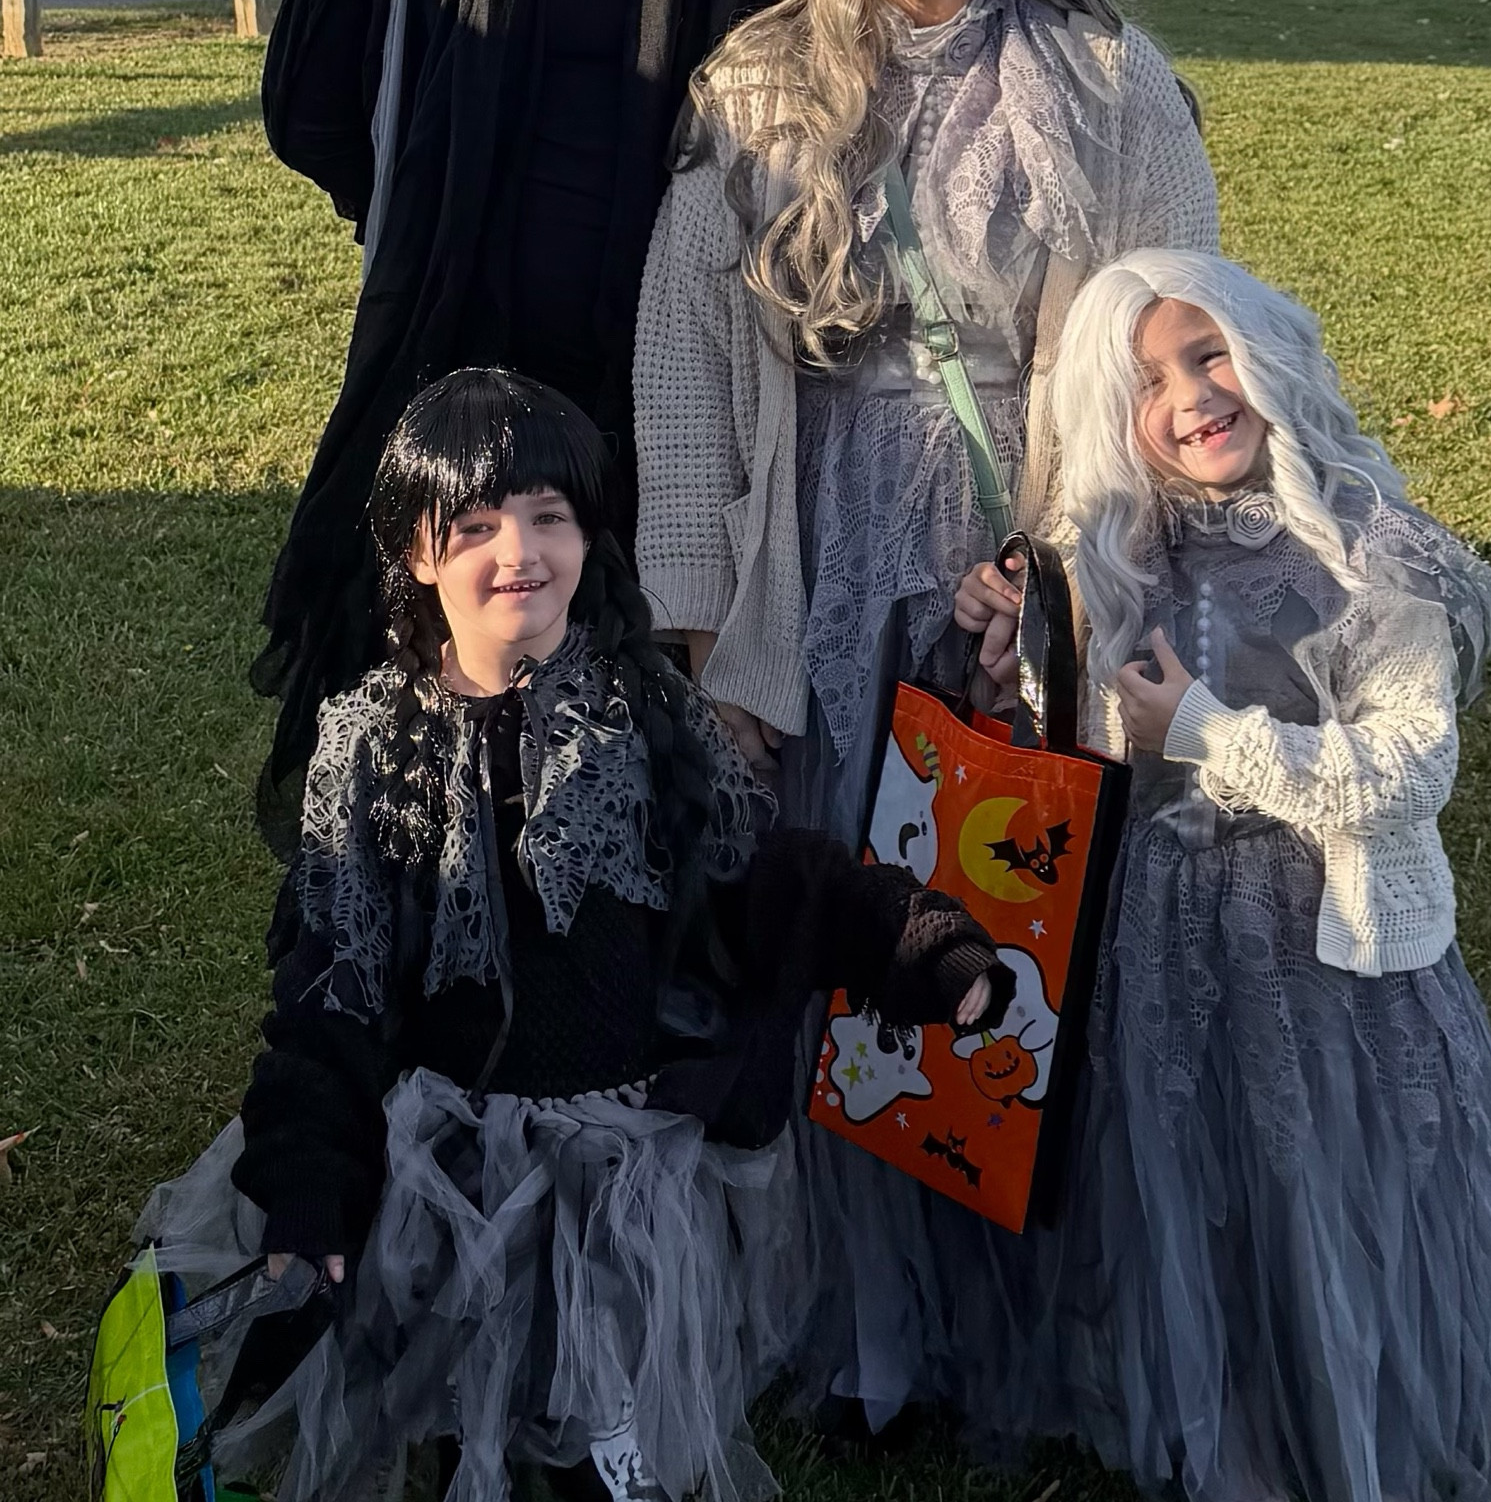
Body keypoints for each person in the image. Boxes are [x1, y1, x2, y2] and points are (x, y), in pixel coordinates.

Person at [136, 368, 1006, 1502]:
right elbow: (331, 991)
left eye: (552, 517)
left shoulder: (646, 713)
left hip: (625, 1168)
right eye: (478, 525)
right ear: (416, 552)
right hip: (445, 1170)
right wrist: (310, 1183)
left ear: (592, 538)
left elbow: (778, 885)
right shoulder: (370, 745)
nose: (520, 552)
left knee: (604, 1425)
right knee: (459, 1414)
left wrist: (921, 944)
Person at [952, 248, 1491, 1499]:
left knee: (1332, 1190)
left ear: (1269, 355)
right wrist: (1018, 638)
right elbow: (1090, 737)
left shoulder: (1373, 557)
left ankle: (1360, 1429)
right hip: (1164, 943)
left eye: (1211, 355)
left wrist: (1208, 729)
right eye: (1151, 379)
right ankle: (1238, 1421)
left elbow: (1403, 773)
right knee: (1199, 1194)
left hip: (1333, 952)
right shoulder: (1120, 548)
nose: (1193, 395)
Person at [252, 0, 798, 855]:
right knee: (439, 763)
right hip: (463, 371)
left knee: (674, 749)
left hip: (692, 387)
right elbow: (311, 106)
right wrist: (428, 223)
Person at [634, 0, 1216, 814]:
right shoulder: (758, 90)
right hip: (818, 557)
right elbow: (685, 382)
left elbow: (1175, 355)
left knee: (1013, 890)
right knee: (842, 889)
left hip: (1035, 539)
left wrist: (1066, 580)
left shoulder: (1110, 81)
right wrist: (717, 639)